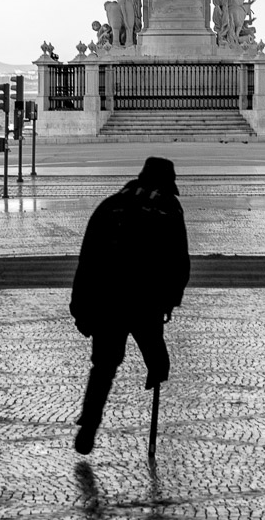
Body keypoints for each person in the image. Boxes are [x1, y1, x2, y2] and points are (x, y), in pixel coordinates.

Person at [69, 155, 190, 455]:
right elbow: (179, 260)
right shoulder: (167, 208)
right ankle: (156, 369)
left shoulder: (111, 204)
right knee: (156, 355)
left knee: (104, 365)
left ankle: (90, 422)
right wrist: (170, 300)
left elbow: (88, 256)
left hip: (107, 298)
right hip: (145, 299)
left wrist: (80, 304)